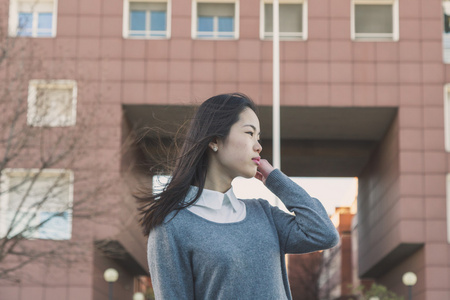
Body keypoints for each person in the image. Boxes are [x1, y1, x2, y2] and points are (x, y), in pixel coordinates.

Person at [137, 93, 339, 300]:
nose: (258, 146)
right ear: (215, 140)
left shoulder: (262, 214)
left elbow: (323, 233)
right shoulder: (172, 226)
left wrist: (275, 179)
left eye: (258, 137)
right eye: (249, 133)